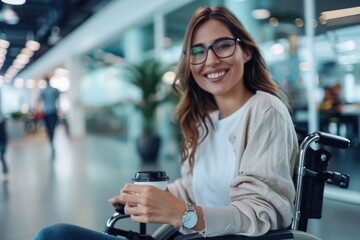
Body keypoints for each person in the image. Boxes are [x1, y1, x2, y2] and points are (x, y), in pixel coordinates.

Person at [33, 5, 298, 239]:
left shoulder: (265, 110)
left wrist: (184, 215)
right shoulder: (204, 120)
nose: (211, 60)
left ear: (247, 52)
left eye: (224, 45)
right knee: (54, 234)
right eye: (198, 51)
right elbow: (194, 189)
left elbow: (264, 213)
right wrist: (151, 197)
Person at [37, 76, 60, 156]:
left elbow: (39, 100)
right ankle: (51, 140)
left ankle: (51, 140)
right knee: (51, 128)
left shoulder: (44, 91)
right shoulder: (53, 90)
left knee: (50, 128)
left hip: (48, 112)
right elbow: (58, 97)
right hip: (51, 112)